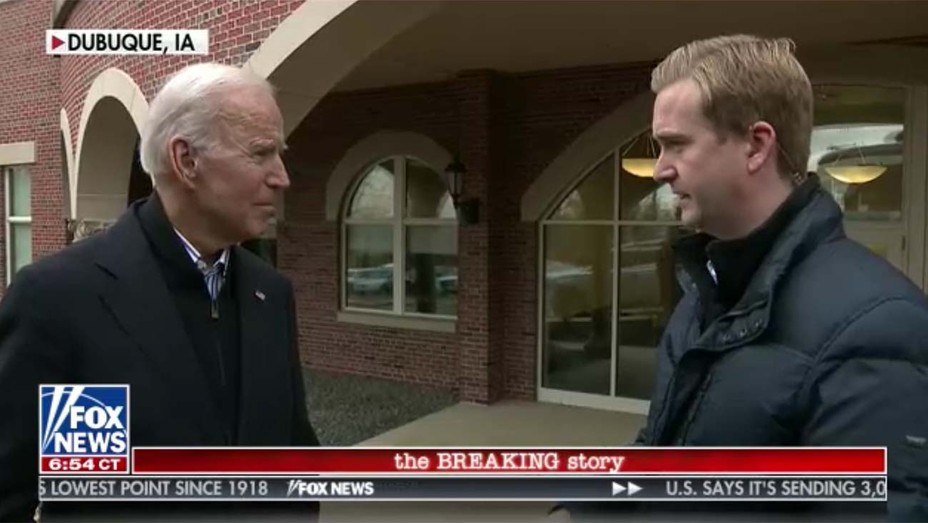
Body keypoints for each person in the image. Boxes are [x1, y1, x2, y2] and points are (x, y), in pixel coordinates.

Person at [560, 35, 928, 522]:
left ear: (756, 146)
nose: (660, 171)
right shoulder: (705, 294)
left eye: (675, 144)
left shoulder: (879, 329)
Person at [0, 63, 319, 522]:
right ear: (186, 160)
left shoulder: (271, 293)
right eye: (261, 153)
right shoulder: (60, 300)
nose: (282, 176)